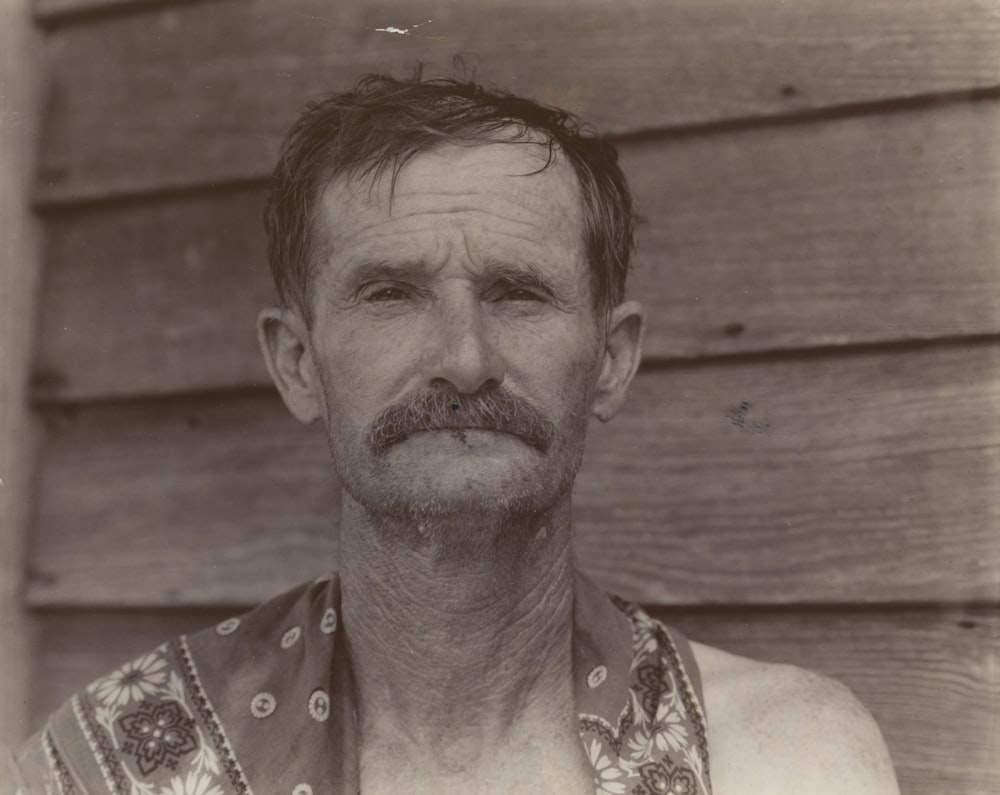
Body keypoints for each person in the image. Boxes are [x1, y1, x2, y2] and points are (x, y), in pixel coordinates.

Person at [5, 73, 899, 795]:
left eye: (519, 291)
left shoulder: (786, 759)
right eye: (391, 293)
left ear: (613, 361)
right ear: (298, 363)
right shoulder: (113, 768)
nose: (465, 360)